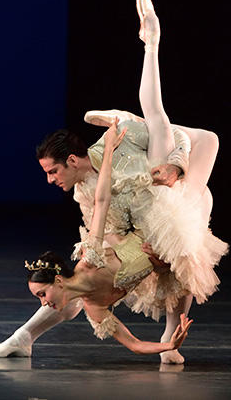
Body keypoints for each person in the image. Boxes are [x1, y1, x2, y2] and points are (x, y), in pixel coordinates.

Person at [0, 0, 228, 363]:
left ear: (70, 160)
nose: (50, 180)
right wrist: (132, 255)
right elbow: (107, 224)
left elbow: (178, 136)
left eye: (53, 171)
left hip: (178, 197)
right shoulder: (83, 192)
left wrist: (177, 165)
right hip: (144, 229)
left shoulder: (118, 142)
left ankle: (151, 44)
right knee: (76, 288)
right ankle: (24, 336)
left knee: (185, 145)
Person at [25, 119, 193, 356]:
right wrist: (169, 346)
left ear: (59, 280)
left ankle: (125, 118)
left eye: (42, 294)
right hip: (159, 249)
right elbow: (134, 344)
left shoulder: (91, 257)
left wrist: (108, 154)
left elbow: (102, 200)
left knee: (202, 139)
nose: (44, 303)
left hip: (158, 217)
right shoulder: (94, 308)